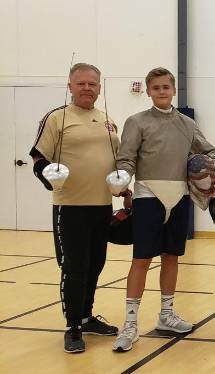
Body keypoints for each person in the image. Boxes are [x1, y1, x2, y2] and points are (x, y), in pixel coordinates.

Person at [112, 67, 215, 352]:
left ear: (174, 90)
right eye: (156, 87)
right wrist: (122, 177)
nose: (161, 91)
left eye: (166, 87)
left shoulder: (186, 124)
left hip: (179, 197)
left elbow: (209, 151)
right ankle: (130, 324)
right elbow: (126, 158)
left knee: (172, 256)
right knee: (141, 259)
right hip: (147, 196)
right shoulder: (136, 122)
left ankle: (166, 314)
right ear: (148, 91)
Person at [30, 62, 120, 353]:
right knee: (74, 268)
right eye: (81, 83)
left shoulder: (107, 120)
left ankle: (86, 316)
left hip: (102, 206)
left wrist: (125, 189)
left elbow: (116, 162)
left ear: (99, 88)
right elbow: (38, 159)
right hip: (70, 208)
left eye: (92, 84)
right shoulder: (56, 118)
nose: (87, 88)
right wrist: (47, 174)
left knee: (95, 265)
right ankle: (72, 327)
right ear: (70, 86)